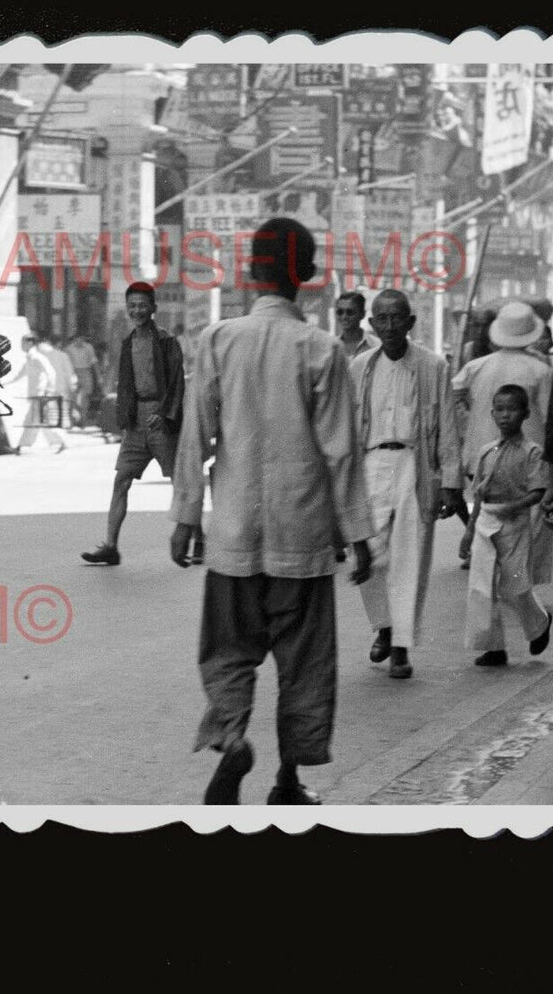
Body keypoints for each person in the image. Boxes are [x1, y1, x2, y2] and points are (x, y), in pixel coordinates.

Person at [171, 218, 374, 805]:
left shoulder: (218, 340)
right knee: (304, 666)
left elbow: (196, 437)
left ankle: (232, 740)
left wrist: (187, 516)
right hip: (303, 539)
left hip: (233, 534)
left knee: (229, 652)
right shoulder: (323, 349)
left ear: (251, 271)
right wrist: (359, 535)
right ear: (306, 278)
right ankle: (287, 781)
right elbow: (342, 452)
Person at [349, 290, 465, 680]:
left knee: (410, 557)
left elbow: (447, 426)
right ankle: (383, 625)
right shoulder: (360, 367)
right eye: (382, 318)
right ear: (372, 324)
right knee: (369, 553)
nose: (390, 325)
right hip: (371, 465)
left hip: (416, 465)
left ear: (411, 322)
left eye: (398, 317)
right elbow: (349, 428)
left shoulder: (433, 366)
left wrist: (451, 482)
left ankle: (400, 646)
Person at [82, 282, 185, 566]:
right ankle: (111, 546)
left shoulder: (167, 342)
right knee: (121, 481)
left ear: (153, 308)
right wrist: (125, 417)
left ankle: (194, 535)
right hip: (136, 423)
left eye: (142, 305)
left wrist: (164, 414)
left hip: (161, 419)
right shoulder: (128, 342)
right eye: (132, 306)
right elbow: (126, 383)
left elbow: (177, 384)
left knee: (179, 481)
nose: (137, 310)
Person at [452, 301, 553, 568]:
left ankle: (492, 574)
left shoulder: (476, 367)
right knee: (522, 529)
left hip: (482, 455)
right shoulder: (541, 371)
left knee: (489, 519)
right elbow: (549, 417)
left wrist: (472, 413)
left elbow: (453, 394)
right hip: (526, 459)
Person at [462, 384, 553, 666]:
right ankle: (493, 647)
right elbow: (478, 493)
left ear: (525, 414)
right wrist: (469, 529)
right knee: (481, 585)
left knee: (514, 584)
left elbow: (537, 492)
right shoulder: (486, 451)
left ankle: (539, 622)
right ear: (492, 414)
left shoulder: (532, 452)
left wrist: (513, 507)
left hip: (514, 522)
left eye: (512, 410)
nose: (505, 416)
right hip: (486, 519)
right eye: (499, 410)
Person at [11, 334, 67, 453]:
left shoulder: (38, 358)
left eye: (23, 342)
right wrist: (2, 383)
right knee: (37, 422)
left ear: (30, 343)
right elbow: (20, 375)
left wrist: (49, 390)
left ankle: (21, 447)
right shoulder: (30, 358)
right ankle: (60, 442)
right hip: (36, 396)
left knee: (34, 421)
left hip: (41, 395)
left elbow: (51, 373)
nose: (21, 345)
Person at [37, 334, 77, 429]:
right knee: (62, 411)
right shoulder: (63, 355)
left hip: (47, 386)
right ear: (59, 344)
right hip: (61, 386)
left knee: (49, 411)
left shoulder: (42, 355)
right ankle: (62, 430)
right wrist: (72, 387)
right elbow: (69, 373)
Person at [64, 332, 102, 429]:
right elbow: (66, 365)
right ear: (74, 339)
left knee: (85, 397)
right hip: (74, 372)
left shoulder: (88, 347)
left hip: (86, 372)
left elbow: (94, 362)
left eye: (82, 339)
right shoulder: (69, 349)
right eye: (77, 339)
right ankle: (71, 420)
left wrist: (98, 377)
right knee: (72, 397)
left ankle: (83, 421)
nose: (80, 341)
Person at [334, 290, 378, 360]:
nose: (344, 317)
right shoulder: (331, 346)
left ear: (362, 314)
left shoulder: (377, 346)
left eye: (350, 312)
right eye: (340, 312)